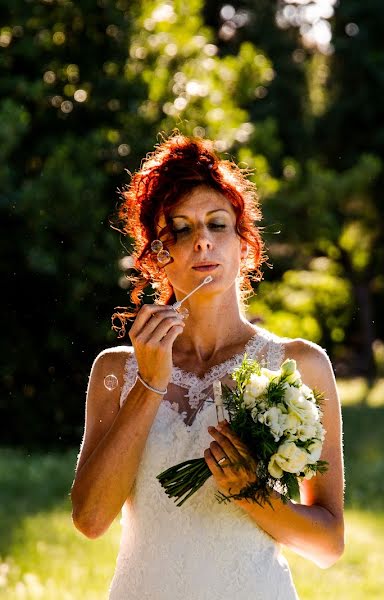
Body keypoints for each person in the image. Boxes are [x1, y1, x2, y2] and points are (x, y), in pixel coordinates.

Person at [70, 134, 345, 599]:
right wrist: (150, 383)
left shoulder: (300, 365)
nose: (201, 241)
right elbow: (91, 520)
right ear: (158, 257)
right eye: (180, 229)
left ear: (244, 247)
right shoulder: (116, 371)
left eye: (217, 225)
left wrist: (250, 492)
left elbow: (328, 543)